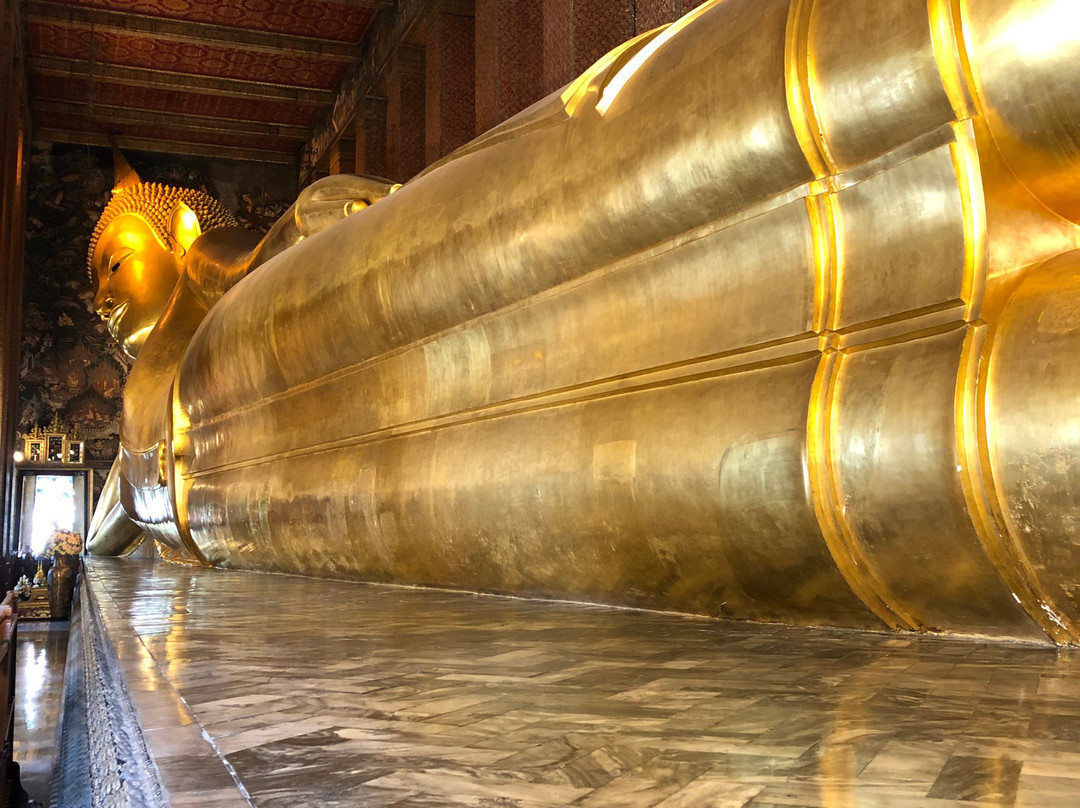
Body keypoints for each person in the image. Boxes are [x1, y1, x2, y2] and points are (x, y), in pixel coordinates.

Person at [89, 0, 1080, 644]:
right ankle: (993, 411)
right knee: (536, 463)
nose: (99, 291)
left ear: (178, 232)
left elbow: (121, 516)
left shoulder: (236, 294)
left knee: (531, 213)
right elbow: (119, 521)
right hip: (281, 485)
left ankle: (947, 55)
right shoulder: (152, 400)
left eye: (111, 260)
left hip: (277, 330)